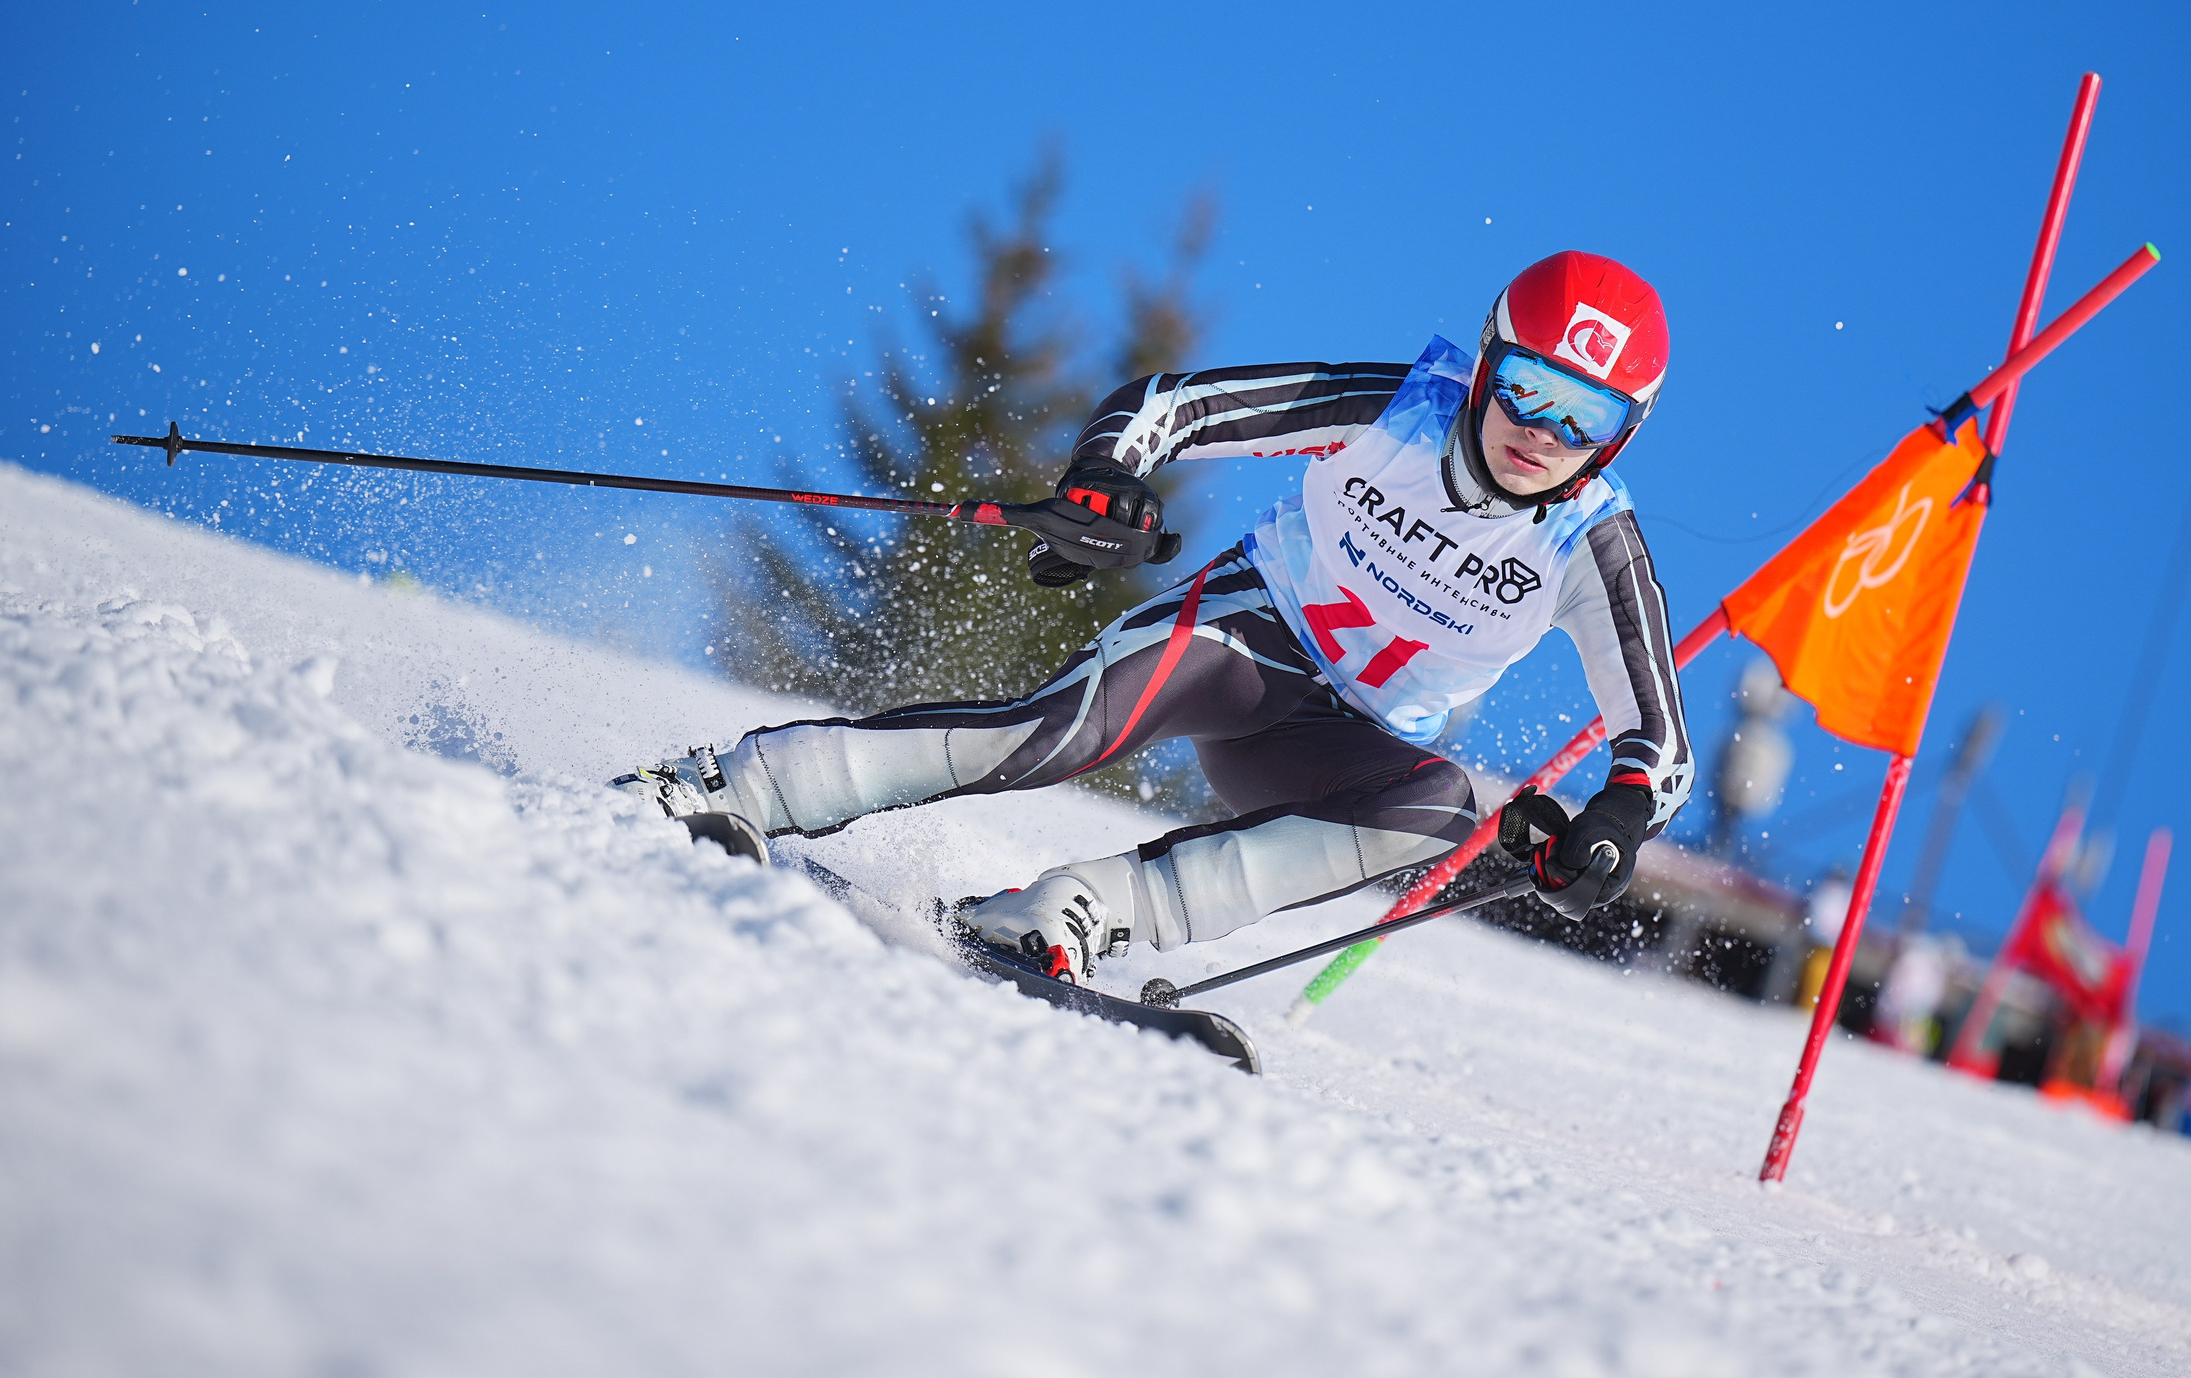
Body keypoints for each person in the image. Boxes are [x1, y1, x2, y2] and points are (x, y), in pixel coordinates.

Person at [619, 252, 1694, 982]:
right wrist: (1105, 478)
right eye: (1526, 388)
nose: (1542, 433)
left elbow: (1662, 741)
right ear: (1486, 364)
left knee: (1445, 809)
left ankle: (1068, 912)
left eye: (1584, 415)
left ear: (1622, 435)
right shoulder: (1396, 408)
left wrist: (1618, 817)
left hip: (1336, 748)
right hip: (1245, 639)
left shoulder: (1590, 546)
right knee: (1058, 733)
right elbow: (1168, 408)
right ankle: (734, 783)